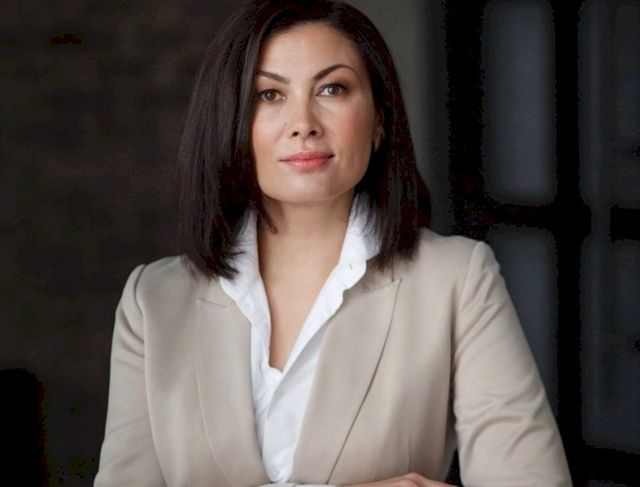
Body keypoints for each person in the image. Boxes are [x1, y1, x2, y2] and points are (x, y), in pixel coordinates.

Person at [95, 1, 572, 486]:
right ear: (230, 123)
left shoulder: (457, 280)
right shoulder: (152, 301)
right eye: (268, 94)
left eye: (332, 89)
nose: (303, 122)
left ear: (380, 119)